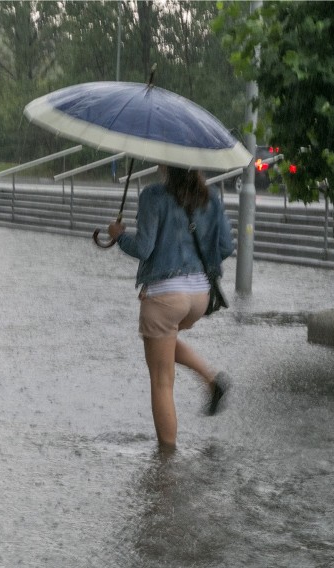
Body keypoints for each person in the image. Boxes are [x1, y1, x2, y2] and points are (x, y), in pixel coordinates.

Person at [108, 165, 235, 449]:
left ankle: (166, 461)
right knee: (166, 340)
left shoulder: (154, 195)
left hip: (165, 295)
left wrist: (118, 235)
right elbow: (226, 246)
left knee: (162, 381)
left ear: (165, 164)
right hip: (199, 296)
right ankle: (212, 381)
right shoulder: (210, 197)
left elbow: (143, 248)